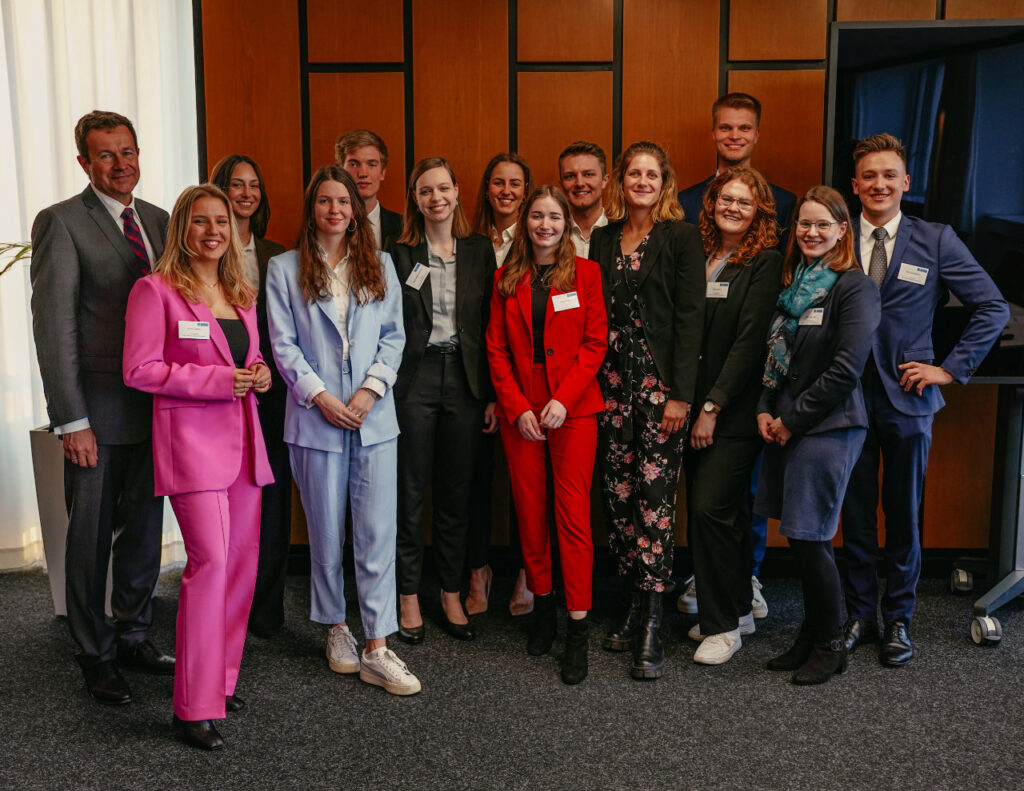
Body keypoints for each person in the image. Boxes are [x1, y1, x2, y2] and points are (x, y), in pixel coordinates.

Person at [840, 133, 1009, 666]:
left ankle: (898, 620)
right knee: (855, 513)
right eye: (869, 176)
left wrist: (950, 369)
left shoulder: (936, 240)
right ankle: (859, 614)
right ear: (855, 185)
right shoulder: (836, 235)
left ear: (905, 182)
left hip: (909, 397)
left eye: (889, 175)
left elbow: (993, 307)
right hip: (845, 397)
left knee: (904, 514)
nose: (879, 184)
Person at [30, 110, 174, 706]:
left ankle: (134, 633)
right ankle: (95, 653)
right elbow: (54, 329)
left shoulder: (161, 221)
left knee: (143, 530)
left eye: (128, 151)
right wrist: (73, 421)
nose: (121, 164)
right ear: (84, 162)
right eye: (106, 155)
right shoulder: (62, 222)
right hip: (97, 414)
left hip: (158, 410)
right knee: (89, 539)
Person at [123, 184, 273, 748]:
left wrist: (258, 372)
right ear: (181, 229)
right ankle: (192, 706)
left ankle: (221, 682)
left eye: (221, 222)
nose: (213, 231)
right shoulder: (155, 290)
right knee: (209, 565)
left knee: (240, 567)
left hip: (244, 447)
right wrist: (217, 381)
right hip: (192, 447)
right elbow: (139, 369)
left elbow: (247, 357)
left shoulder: (240, 292)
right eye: (201, 221)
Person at [266, 166, 420, 696]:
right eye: (325, 201)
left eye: (343, 201)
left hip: (373, 418)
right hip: (315, 419)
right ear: (312, 209)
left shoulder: (381, 264)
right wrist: (323, 398)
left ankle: (377, 645)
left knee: (377, 533)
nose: (335, 210)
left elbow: (395, 337)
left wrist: (369, 392)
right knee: (326, 532)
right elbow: (283, 345)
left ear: (355, 210)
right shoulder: (284, 269)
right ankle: (336, 627)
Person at [755, 185, 881, 685]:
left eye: (822, 224)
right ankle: (810, 633)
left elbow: (845, 370)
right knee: (800, 535)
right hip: (788, 424)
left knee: (811, 536)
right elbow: (776, 359)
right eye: (804, 224)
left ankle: (832, 644)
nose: (811, 232)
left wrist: (791, 420)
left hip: (830, 426)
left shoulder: (854, 287)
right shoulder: (796, 284)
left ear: (842, 230)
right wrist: (765, 409)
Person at [677, 91, 796, 620]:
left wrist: (717, 401)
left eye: (743, 128)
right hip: (694, 385)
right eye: (726, 127)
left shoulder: (785, 207)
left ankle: (745, 580)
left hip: (743, 388)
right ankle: (713, 580)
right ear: (713, 133)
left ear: (756, 134)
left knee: (740, 491)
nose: (734, 136)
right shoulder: (687, 203)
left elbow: (760, 323)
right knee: (705, 496)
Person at [588, 141, 705, 680]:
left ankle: (654, 619)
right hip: (610, 384)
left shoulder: (681, 237)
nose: (641, 181)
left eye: (651, 174)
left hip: (660, 388)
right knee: (617, 497)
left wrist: (681, 395)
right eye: (633, 173)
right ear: (621, 181)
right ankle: (634, 603)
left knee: (654, 503)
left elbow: (690, 319)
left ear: (664, 183)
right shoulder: (603, 237)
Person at [486, 185, 608, 684]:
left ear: (566, 223)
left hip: (572, 407)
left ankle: (577, 626)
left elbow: (596, 342)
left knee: (573, 517)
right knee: (530, 514)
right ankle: (543, 607)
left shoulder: (588, 273)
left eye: (554, 217)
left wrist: (564, 399)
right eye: (537, 216)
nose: (545, 225)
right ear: (526, 222)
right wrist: (516, 407)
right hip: (522, 409)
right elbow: (496, 350)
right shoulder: (505, 277)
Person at [391, 157, 498, 644]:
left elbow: (492, 326)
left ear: (457, 192)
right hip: (414, 379)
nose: (435, 198)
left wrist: (491, 394)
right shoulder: (400, 254)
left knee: (456, 495)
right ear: (415, 200)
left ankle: (451, 593)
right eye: (425, 191)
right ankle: (408, 594)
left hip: (465, 380)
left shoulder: (479, 250)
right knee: (411, 493)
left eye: (443, 188)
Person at [684, 167, 783, 665]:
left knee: (709, 510)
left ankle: (722, 628)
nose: (733, 208)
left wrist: (712, 406)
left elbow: (749, 343)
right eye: (726, 199)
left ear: (759, 211)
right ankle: (739, 610)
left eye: (745, 202)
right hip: (690, 405)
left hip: (734, 411)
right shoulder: (700, 254)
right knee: (730, 515)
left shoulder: (764, 261)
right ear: (712, 203)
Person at [209, 154, 291, 639]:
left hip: (271, 388)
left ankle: (266, 606)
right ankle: (224, 602)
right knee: (225, 499)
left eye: (254, 185)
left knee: (273, 496)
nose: (246, 193)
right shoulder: (206, 250)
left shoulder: (277, 254)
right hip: (219, 391)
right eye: (236, 185)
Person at [470, 152, 533, 616]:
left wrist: (505, 392)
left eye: (515, 184)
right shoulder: (468, 241)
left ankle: (529, 572)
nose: (506, 191)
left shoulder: (539, 240)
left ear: (526, 191)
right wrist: (486, 391)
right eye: (498, 183)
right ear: (487, 189)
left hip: (522, 383)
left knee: (525, 486)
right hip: (471, 381)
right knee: (474, 480)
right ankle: (478, 570)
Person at [335, 129, 402, 250]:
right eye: (354, 164)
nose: (363, 174)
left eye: (371, 164)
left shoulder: (404, 228)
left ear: (382, 172)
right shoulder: (322, 227)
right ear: (340, 171)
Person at [558, 141, 610, 259]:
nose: (579, 183)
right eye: (570, 176)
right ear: (561, 184)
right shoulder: (552, 233)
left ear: (604, 181)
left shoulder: (623, 232)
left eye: (588, 174)